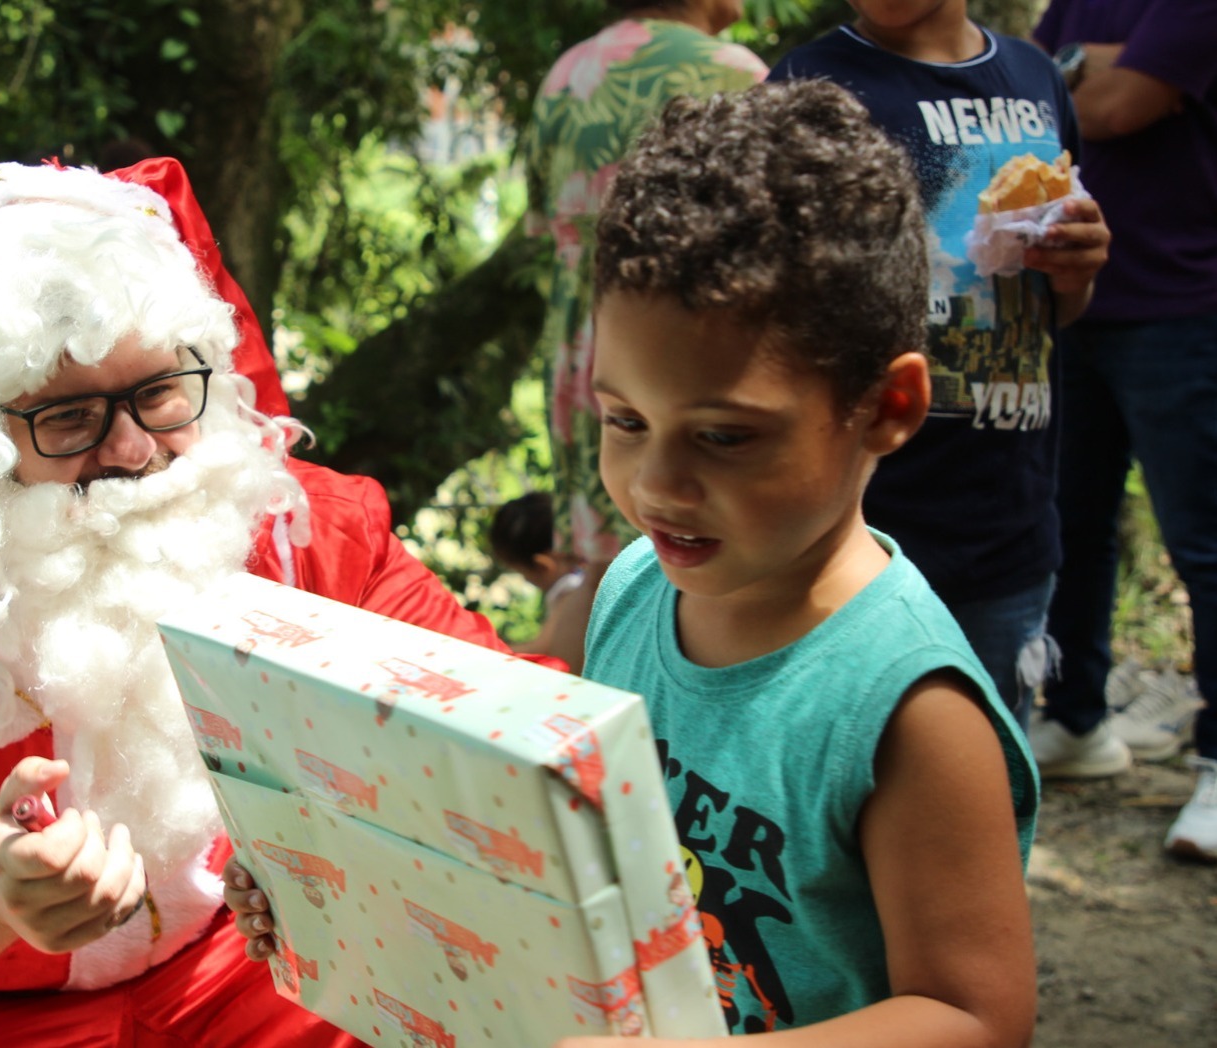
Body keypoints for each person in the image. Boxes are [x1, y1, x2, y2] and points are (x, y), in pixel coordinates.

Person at [234, 80, 1041, 1045]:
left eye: (725, 438)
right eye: (624, 421)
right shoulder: (630, 588)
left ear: (888, 408)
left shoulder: (909, 712)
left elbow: (976, 1016)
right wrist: (338, 888)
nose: (658, 484)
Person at [0, 159, 529, 1047]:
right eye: (67, 418)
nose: (135, 451)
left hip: (271, 986)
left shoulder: (308, 532)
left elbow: (512, 721)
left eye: (157, 393)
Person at [767, 0, 1111, 731]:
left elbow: (1060, 309)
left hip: (1007, 528)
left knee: (987, 781)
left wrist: (1075, 273)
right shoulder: (807, 84)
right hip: (853, 532)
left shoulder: (1034, 78)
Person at [523, 0, 767, 674]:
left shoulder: (568, 73)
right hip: (685, 351)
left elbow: (545, 226)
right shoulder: (731, 72)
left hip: (585, 347)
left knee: (601, 559)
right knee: (692, 560)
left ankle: (539, 725)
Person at [1028, 0, 1217, 861]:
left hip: (1185, 307)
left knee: (1203, 539)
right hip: (1073, 307)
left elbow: (1109, 107)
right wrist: (1085, 56)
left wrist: (1081, 70)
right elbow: (1033, 96)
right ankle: (1073, 720)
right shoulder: (1076, 3)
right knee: (1069, 524)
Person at [488, 491, 587, 656]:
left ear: (543, 566)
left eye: (522, 573)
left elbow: (544, 650)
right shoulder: (588, 573)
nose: (526, 580)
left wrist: (484, 655)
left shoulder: (571, 588)